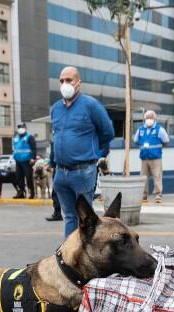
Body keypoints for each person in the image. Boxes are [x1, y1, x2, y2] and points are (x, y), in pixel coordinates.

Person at [50, 66, 115, 238]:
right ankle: (69, 254)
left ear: (78, 82)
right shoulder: (56, 108)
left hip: (82, 172)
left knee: (85, 218)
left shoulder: (91, 105)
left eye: (69, 80)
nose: (65, 84)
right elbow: (56, 137)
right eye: (62, 81)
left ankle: (85, 256)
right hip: (61, 173)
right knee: (69, 216)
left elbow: (108, 132)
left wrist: (93, 153)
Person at [133, 110, 171, 204]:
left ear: (154, 119)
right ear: (144, 119)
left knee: (157, 176)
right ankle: (144, 195)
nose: (148, 120)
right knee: (143, 177)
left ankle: (158, 195)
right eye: (147, 118)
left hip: (155, 157)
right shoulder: (141, 130)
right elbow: (135, 140)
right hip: (144, 157)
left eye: (150, 118)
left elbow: (166, 141)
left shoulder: (159, 129)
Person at [11, 122, 37, 199]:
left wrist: (33, 158)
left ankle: (32, 193)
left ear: (25, 128)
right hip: (18, 160)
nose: (20, 129)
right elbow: (15, 148)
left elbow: (34, 148)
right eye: (19, 128)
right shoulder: (15, 138)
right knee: (19, 178)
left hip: (27, 160)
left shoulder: (29, 137)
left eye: (22, 127)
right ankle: (21, 192)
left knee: (28, 177)